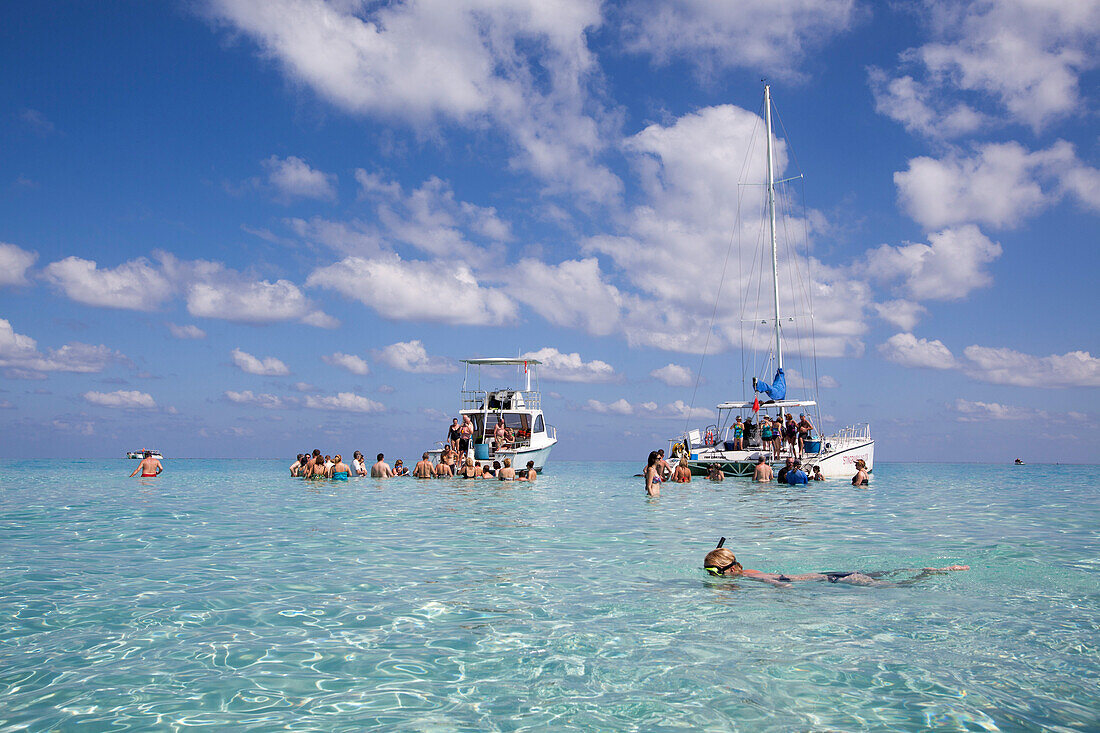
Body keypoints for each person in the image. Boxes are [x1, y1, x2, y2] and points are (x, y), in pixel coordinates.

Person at [703, 540, 968, 588]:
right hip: (828, 575)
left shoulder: (749, 576)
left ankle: (934, 574)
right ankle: (927, 571)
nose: (715, 577)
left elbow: (775, 583)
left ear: (733, 568)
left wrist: (792, 600)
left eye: (716, 573)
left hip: (833, 580)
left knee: (894, 587)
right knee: (886, 575)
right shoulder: (745, 573)